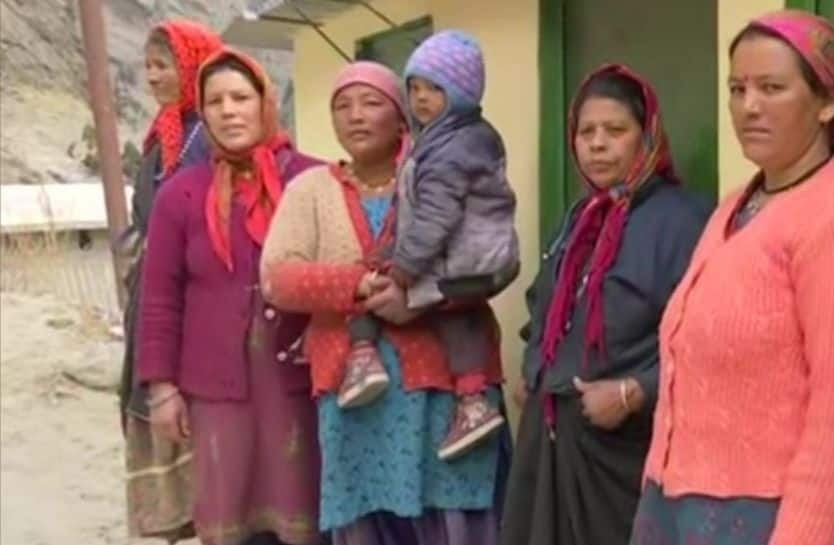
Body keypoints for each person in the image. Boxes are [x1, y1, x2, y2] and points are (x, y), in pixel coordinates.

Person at [630, 10, 834, 545]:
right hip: (673, 507)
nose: (748, 106)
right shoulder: (735, 208)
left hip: (766, 520)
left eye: (771, 88)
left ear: (827, 103)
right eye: (737, 88)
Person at [260, 60, 508, 545]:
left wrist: (416, 297)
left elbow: (492, 258)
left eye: (371, 102)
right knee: (371, 520)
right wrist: (359, 284)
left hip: (450, 392)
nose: (355, 115)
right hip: (355, 400)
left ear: (402, 117)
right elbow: (277, 277)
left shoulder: (443, 174)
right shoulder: (310, 191)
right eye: (342, 105)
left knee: (456, 516)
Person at [499, 64, 712, 545]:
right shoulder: (580, 218)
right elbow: (544, 306)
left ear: (648, 136)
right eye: (585, 132)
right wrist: (535, 371)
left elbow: (706, 339)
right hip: (553, 443)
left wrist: (634, 391)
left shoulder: (684, 222)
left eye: (615, 130)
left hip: (626, 452)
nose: (597, 144)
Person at [137, 48, 325, 545]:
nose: (228, 110)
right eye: (215, 100)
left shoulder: (312, 180)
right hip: (216, 388)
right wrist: (161, 388)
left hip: (299, 382)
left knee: (305, 504)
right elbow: (159, 298)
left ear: (264, 102)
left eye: (241, 97)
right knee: (230, 512)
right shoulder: (180, 194)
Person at [335, 30, 519, 462]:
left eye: (435, 89)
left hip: (466, 260)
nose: (420, 99)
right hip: (476, 257)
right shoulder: (448, 136)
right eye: (414, 87)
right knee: (455, 314)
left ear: (462, 93)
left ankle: (365, 357)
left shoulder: (453, 147)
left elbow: (436, 218)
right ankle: (472, 400)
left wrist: (403, 267)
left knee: (379, 287)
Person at [118, 19, 221, 543]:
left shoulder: (212, 135)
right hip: (155, 299)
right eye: (148, 66)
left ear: (192, 65)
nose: (152, 76)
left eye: (164, 65)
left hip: (196, 302)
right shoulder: (162, 136)